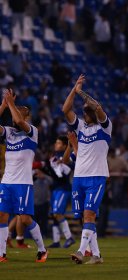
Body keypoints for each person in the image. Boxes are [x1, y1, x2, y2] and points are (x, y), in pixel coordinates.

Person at [62, 75, 112, 265]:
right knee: (85, 217)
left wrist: (81, 92)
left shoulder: (105, 128)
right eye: (83, 110)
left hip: (97, 177)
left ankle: (82, 251)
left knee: (89, 214)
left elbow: (98, 107)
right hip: (79, 177)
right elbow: (66, 109)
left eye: (86, 110)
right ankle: (97, 255)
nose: (84, 112)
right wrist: (74, 89)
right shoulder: (81, 128)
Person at [0, 89, 48, 263]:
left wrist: (10, 104)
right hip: (6, 182)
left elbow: (19, 120)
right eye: (12, 114)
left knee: (26, 218)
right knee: (2, 216)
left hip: (23, 183)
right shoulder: (9, 133)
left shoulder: (32, 132)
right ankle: (1, 254)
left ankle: (42, 250)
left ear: (27, 117)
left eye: (18, 114)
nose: (14, 117)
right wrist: (3, 105)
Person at [43, 136, 75, 248]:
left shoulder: (67, 158)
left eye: (59, 143)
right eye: (56, 142)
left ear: (65, 146)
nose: (56, 145)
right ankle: (56, 241)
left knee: (58, 213)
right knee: (54, 215)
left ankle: (69, 237)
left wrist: (54, 165)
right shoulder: (55, 157)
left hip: (63, 189)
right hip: (55, 189)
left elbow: (63, 173)